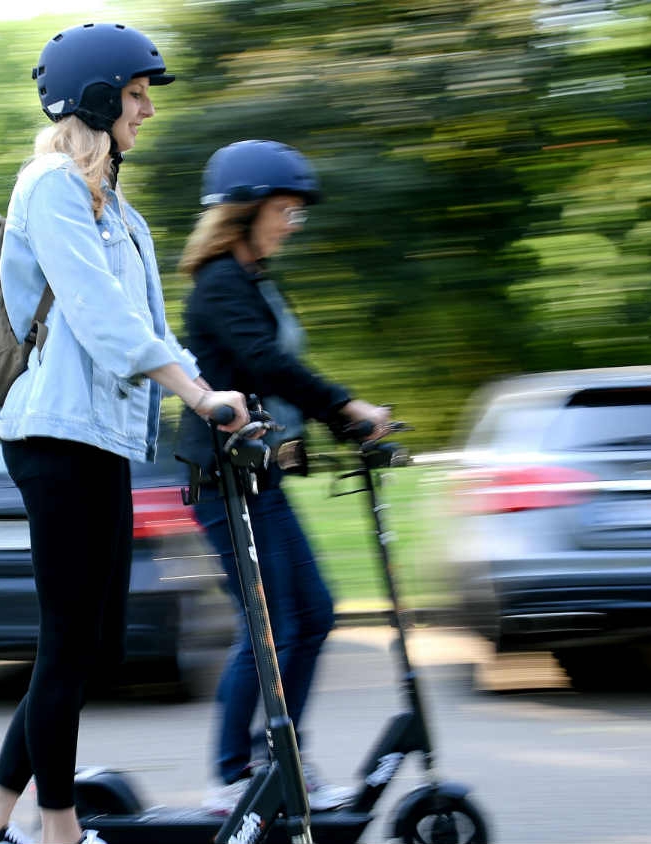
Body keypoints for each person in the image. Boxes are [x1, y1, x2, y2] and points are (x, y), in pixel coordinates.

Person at [0, 24, 248, 844]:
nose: (147, 109)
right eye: (136, 94)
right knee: (68, 642)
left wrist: (215, 397)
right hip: (54, 438)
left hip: (102, 439)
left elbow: (151, 327)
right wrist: (197, 393)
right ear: (93, 98)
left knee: (96, 644)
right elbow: (99, 318)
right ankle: (59, 826)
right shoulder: (48, 187)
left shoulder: (120, 212)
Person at [173, 140, 392, 816]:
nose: (292, 223)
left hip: (260, 476)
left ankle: (282, 760)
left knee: (314, 614)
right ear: (244, 210)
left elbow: (275, 375)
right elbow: (266, 363)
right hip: (226, 480)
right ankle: (231, 777)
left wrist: (342, 426)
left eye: (298, 212)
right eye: (284, 210)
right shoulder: (220, 283)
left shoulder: (255, 278)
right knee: (269, 628)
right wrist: (346, 406)